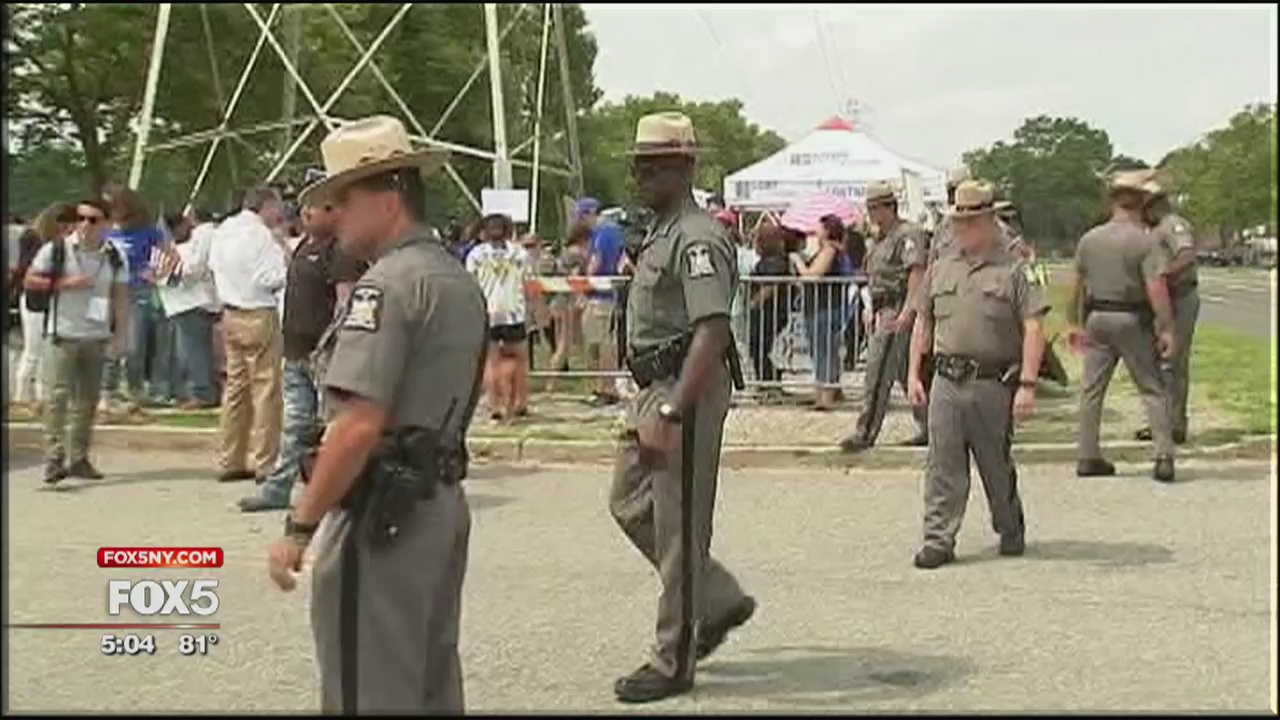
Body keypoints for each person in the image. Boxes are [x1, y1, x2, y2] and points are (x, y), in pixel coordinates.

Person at [264, 115, 485, 714]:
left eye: (343, 200)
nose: (332, 215)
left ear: (388, 201)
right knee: (428, 682)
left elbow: (357, 424)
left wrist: (300, 527)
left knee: (367, 691)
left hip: (382, 517)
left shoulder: (385, 286)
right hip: (438, 501)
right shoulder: (454, 278)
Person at [608, 111, 754, 704]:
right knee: (628, 502)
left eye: (657, 167)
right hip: (655, 385)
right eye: (640, 167)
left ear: (685, 168)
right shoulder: (663, 232)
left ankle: (673, 659)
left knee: (678, 526)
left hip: (682, 387)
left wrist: (673, 412)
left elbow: (711, 330)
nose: (643, 177)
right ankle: (714, 599)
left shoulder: (696, 236)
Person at [905, 180, 1047, 569]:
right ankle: (938, 539)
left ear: (989, 222)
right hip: (946, 380)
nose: (961, 229)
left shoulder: (1017, 269)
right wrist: (914, 373)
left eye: (970, 222)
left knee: (995, 464)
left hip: (992, 382)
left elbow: (1034, 326)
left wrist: (1027, 385)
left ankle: (1009, 525)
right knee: (942, 464)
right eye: (957, 222)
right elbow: (923, 322)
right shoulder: (940, 268)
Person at [239, 188, 367, 513]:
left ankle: (336, 490)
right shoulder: (303, 247)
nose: (307, 213)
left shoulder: (342, 250)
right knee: (296, 425)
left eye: (318, 208)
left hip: (323, 354)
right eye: (305, 208)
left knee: (333, 426)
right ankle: (278, 489)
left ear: (335, 212)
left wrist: (331, 345)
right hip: (295, 351)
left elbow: (345, 303)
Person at [1066, 169, 1177, 482]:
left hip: (1097, 316)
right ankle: (1163, 454)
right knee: (1151, 386)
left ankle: (1088, 454)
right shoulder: (1144, 241)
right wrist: (1166, 326)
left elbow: (1076, 286)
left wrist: (1073, 322)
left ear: (1111, 202)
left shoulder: (1090, 239)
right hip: (1131, 317)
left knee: (1092, 389)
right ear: (1141, 202)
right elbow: (1155, 287)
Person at [23, 198, 129, 484]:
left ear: (106, 224)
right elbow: (29, 280)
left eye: (93, 220)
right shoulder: (56, 249)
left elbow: (121, 296)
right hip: (62, 335)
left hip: (96, 336)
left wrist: (121, 335)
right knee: (56, 397)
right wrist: (62, 284)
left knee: (88, 400)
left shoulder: (114, 255)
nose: (84, 225)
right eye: (80, 218)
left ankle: (79, 457)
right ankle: (54, 456)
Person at [839, 181, 929, 452]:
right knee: (906, 371)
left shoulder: (908, 234)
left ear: (888, 207)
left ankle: (865, 431)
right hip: (882, 307)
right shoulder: (879, 240)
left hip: (897, 305)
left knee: (878, 372)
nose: (870, 214)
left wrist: (909, 309)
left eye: (874, 208)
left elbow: (916, 272)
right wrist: (869, 307)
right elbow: (874, 277)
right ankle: (930, 425)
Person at [208, 185, 290, 483]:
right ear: (266, 205)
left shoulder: (223, 230)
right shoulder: (262, 236)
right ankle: (264, 460)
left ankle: (229, 457)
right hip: (258, 311)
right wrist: (285, 259)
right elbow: (268, 277)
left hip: (231, 311)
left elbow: (212, 266)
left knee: (236, 388)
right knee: (266, 389)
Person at [1134, 178, 1198, 445]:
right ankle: (1161, 421)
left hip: (1179, 297)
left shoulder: (1172, 224)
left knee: (1173, 362)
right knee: (1159, 362)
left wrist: (1163, 277)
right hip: (1163, 300)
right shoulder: (1153, 230)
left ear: (1153, 205)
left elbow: (1186, 255)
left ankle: (1175, 424)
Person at [101, 184, 168, 408]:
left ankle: (135, 388)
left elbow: (166, 258)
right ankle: (108, 389)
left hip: (137, 291)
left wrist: (154, 272)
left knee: (134, 343)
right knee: (107, 340)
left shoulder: (149, 233)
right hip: (107, 292)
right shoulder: (104, 231)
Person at [466, 213, 533, 421]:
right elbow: (528, 282)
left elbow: (470, 284)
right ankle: (520, 402)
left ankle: (494, 404)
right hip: (513, 312)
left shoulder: (476, 254)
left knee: (491, 361)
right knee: (520, 360)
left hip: (488, 312)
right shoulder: (519, 253)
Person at [11, 203, 77, 411]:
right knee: (33, 349)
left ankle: (41, 395)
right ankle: (22, 394)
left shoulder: (63, 245)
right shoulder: (34, 239)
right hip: (35, 300)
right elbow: (26, 275)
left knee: (47, 350)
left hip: (52, 300)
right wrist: (59, 283)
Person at [789, 216, 850, 411]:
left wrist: (798, 261)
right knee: (826, 351)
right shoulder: (832, 250)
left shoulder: (829, 250)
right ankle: (826, 391)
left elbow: (813, 276)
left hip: (823, 308)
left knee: (823, 351)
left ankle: (826, 395)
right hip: (823, 306)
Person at [578, 197, 625, 405]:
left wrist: (583, 288)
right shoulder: (616, 231)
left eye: (581, 217)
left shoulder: (601, 233)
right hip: (611, 294)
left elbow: (595, 263)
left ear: (589, 214)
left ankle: (604, 388)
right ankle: (607, 386)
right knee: (608, 342)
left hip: (598, 296)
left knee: (598, 344)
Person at [747, 224, 795, 395]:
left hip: (770, 311)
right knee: (758, 347)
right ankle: (767, 381)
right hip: (768, 311)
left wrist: (754, 302)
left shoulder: (775, 262)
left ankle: (769, 382)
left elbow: (771, 286)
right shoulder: (772, 260)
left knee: (759, 347)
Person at [546, 222, 590, 385]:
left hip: (556, 300)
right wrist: (580, 296)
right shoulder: (579, 254)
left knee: (560, 343)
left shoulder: (564, 253)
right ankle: (552, 380)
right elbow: (575, 277)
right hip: (567, 301)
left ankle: (553, 378)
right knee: (564, 344)